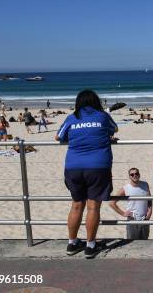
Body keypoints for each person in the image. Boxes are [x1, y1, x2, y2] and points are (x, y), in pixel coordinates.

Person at [56, 89, 118, 259]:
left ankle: (72, 243)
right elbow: (115, 129)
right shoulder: (102, 116)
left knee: (76, 205)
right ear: (96, 101)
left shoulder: (72, 118)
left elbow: (58, 136)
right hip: (98, 166)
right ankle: (90, 246)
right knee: (93, 206)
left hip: (73, 166)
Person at [109, 168, 152, 240]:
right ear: (129, 176)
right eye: (132, 174)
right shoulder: (125, 188)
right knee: (133, 243)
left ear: (139, 175)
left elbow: (150, 199)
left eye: (136, 174)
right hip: (132, 220)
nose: (134, 175)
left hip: (145, 219)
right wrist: (123, 213)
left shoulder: (145, 184)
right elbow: (112, 203)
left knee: (145, 243)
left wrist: (150, 211)